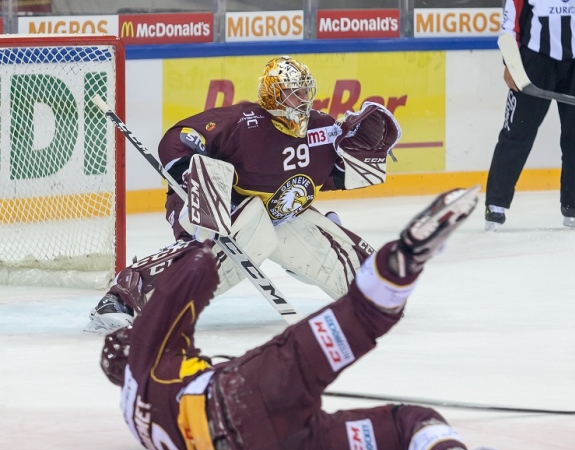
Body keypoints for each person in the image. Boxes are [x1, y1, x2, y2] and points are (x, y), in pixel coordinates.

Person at [98, 187, 540, 450]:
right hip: (245, 392)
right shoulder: (145, 358)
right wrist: (216, 236)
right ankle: (401, 260)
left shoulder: (135, 417)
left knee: (407, 425)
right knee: (360, 317)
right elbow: (194, 269)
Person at [87, 55, 400, 332]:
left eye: (306, 91)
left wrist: (351, 158)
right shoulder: (241, 124)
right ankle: (122, 299)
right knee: (248, 232)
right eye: (295, 93)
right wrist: (191, 176)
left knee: (348, 269)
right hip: (213, 208)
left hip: (280, 215)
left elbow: (329, 176)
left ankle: (372, 290)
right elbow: (179, 137)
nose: (303, 100)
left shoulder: (321, 128)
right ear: (274, 95)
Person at [484, 0, 575, 232]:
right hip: (534, 63)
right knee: (517, 132)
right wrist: (510, 63)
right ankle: (496, 203)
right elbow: (509, 24)